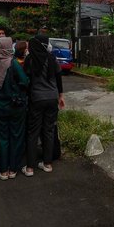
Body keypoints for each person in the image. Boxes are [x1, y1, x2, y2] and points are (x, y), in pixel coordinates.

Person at [22, 35, 65, 177]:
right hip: (52, 98)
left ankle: (30, 168)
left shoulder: (30, 59)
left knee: (33, 132)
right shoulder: (52, 58)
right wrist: (60, 95)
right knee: (49, 130)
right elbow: (58, 77)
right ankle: (47, 164)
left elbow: (26, 80)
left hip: (37, 99)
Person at [0, 37, 28, 180]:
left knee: (3, 137)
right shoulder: (12, 63)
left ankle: (3, 170)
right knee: (16, 136)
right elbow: (24, 81)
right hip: (15, 106)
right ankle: (13, 169)